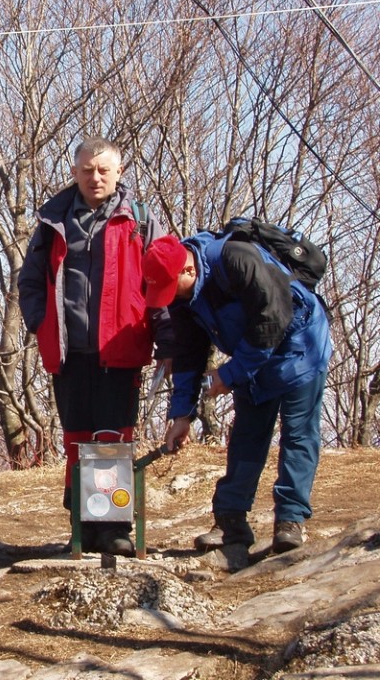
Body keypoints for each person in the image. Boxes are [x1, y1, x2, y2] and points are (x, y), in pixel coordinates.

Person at [18, 137, 172, 556]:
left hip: (121, 348)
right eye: (87, 170)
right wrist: (40, 322)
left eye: (104, 169)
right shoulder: (54, 221)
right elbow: (29, 280)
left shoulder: (139, 219)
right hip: (69, 352)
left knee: (113, 440)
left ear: (119, 172)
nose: (95, 177)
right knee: (77, 440)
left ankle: (115, 528)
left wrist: (167, 340)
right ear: (74, 172)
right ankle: (83, 527)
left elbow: (161, 285)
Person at [141, 231, 331, 553]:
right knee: (246, 436)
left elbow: (272, 319)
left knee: (298, 436)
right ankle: (231, 523)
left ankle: (290, 520)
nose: (169, 297)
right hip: (252, 354)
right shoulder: (183, 298)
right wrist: (181, 414)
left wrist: (231, 373)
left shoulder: (235, 259)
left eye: (171, 288)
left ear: (188, 270)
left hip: (301, 346)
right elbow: (189, 353)